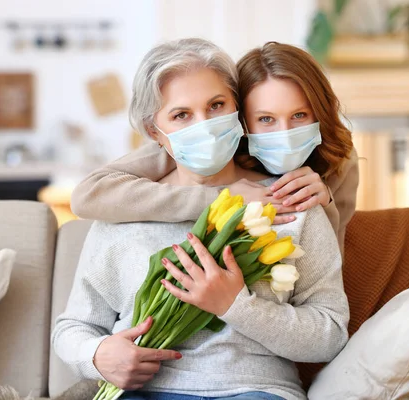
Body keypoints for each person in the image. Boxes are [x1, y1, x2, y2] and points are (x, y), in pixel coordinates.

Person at [53, 38, 349, 400]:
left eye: (216, 106)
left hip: (254, 390)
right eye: (181, 115)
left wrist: (235, 305)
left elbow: (329, 335)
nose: (205, 125)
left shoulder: (290, 202)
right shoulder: (123, 212)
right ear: (154, 133)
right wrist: (97, 355)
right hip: (143, 392)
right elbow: (73, 327)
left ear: (238, 112)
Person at [70, 42, 358, 254]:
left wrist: (326, 206)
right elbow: (89, 195)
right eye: (265, 119)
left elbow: (330, 268)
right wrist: (221, 198)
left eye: (300, 115)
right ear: (242, 118)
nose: (284, 134)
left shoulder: (336, 158)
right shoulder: (211, 143)